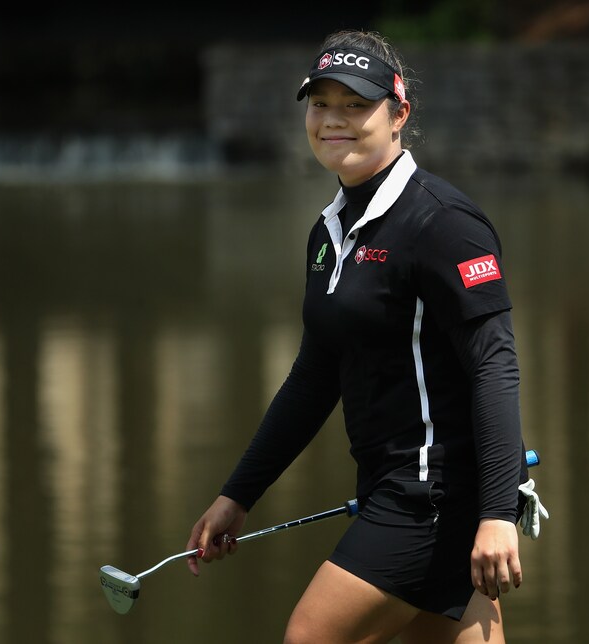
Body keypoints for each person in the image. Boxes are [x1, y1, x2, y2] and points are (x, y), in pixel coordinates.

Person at [187, 28, 545, 643]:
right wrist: (238, 495)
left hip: (434, 495)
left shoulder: (444, 223)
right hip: (395, 488)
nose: (334, 120)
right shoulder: (331, 234)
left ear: (398, 112)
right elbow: (314, 376)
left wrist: (494, 515)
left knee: (310, 637)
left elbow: (495, 365)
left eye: (356, 105)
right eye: (322, 104)